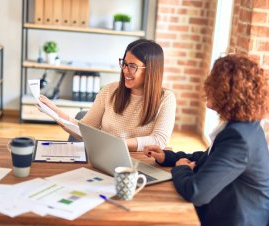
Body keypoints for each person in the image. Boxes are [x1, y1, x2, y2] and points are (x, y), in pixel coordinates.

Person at [144, 54, 269, 226]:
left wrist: (181, 169)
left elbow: (196, 192)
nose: (207, 88)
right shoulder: (243, 127)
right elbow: (210, 158)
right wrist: (169, 157)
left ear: (227, 92)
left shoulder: (239, 138)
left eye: (213, 84)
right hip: (230, 217)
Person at [39, 39, 176, 151]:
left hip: (141, 162)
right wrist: (55, 112)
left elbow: (159, 140)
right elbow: (85, 130)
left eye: (132, 66)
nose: (125, 70)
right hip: (105, 156)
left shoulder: (166, 99)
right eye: (124, 63)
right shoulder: (109, 91)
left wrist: (117, 143)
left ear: (151, 70)